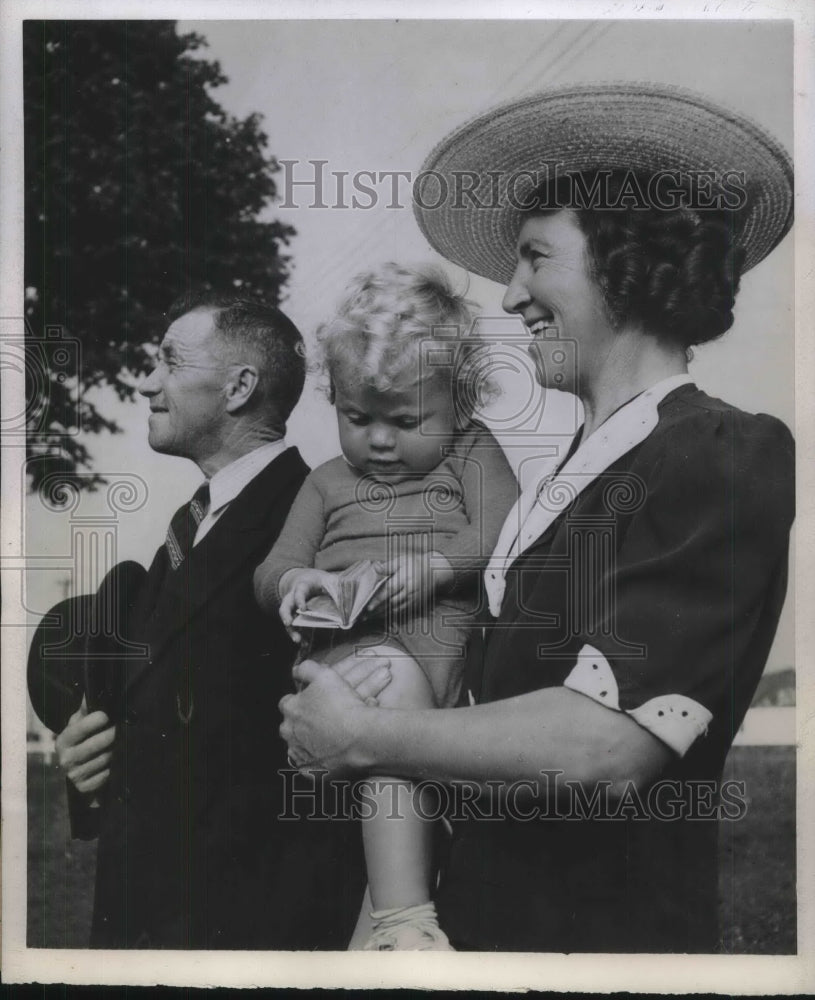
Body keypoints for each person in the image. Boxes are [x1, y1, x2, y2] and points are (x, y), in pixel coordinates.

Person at [278, 83, 795, 952]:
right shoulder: (561, 476)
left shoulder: (716, 450)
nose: (509, 295)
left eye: (534, 257)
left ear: (622, 262)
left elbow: (606, 750)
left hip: (600, 947)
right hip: (482, 927)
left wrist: (366, 735)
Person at [33, 293, 368, 948]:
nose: (147, 381)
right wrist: (88, 754)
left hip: (251, 931)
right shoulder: (188, 528)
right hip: (145, 919)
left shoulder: (322, 517)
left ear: (239, 386)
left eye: (169, 360)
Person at [254, 263, 518, 950]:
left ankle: (378, 923)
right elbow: (274, 567)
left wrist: (436, 567)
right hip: (355, 657)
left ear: (459, 403)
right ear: (332, 398)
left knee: (408, 778)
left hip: (449, 649)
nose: (378, 440)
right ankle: (405, 924)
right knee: (392, 720)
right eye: (356, 416)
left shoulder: (468, 450)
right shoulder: (324, 482)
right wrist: (297, 587)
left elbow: (500, 525)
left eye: (405, 420)